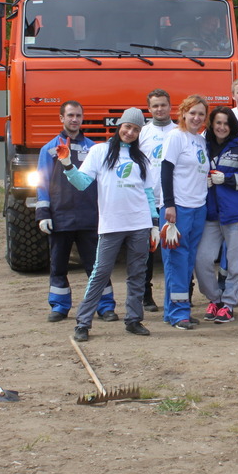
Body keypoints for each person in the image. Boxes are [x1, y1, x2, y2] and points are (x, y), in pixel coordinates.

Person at [55, 107, 158, 341]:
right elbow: (82, 183)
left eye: (135, 129)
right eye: (127, 127)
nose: (130, 132)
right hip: (112, 224)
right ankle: (83, 322)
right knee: (100, 273)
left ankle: (133, 320)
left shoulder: (141, 158)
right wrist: (67, 164)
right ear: (119, 126)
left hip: (140, 223)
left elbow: (148, 193)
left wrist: (154, 223)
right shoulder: (100, 151)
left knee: (138, 274)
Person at [35, 101, 119, 324]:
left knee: (97, 266)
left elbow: (103, 182)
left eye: (78, 116)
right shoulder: (49, 149)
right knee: (58, 265)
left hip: (89, 216)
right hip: (60, 216)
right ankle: (60, 306)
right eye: (70, 115)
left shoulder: (94, 148)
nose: (75, 119)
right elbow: (42, 183)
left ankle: (105, 306)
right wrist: (43, 214)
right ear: (61, 118)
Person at [195, 108, 238, 324]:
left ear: (232, 126)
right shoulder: (202, 145)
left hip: (235, 214)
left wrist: (228, 179)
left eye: (226, 123)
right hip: (210, 213)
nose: (222, 127)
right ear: (212, 125)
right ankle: (214, 299)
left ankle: (229, 304)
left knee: (235, 263)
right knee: (202, 259)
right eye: (218, 123)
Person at [160, 95, 210, 330]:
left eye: (201, 114)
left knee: (187, 260)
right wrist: (169, 204)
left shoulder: (199, 140)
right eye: (192, 113)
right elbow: (166, 170)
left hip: (198, 207)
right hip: (178, 208)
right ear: (183, 114)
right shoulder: (175, 137)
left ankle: (174, 311)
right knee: (176, 261)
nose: (197, 118)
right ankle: (179, 313)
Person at [138, 89, 176, 313]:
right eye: (155, 106)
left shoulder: (180, 131)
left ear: (170, 106)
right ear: (149, 109)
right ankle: (146, 295)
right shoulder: (142, 133)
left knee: (176, 247)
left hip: (173, 200)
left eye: (163, 105)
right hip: (148, 200)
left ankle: (182, 294)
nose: (159, 109)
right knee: (146, 250)